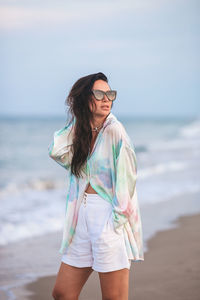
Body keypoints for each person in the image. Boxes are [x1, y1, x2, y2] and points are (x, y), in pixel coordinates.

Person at [48, 72, 144, 300]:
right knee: (62, 293)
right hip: (81, 217)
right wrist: (82, 120)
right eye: (99, 94)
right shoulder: (83, 131)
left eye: (110, 94)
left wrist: (116, 222)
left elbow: (128, 179)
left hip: (108, 218)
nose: (106, 99)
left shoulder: (115, 131)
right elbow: (57, 151)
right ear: (84, 99)